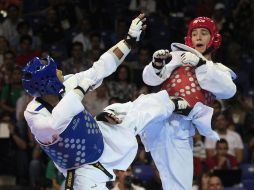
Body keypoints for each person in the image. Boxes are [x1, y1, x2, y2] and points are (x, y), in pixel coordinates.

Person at [22, 13, 148, 190]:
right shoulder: (33, 113)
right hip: (80, 171)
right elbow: (56, 124)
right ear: (49, 83)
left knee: (144, 105)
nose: (60, 70)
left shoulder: (66, 83)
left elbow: (100, 68)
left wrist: (128, 41)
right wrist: (79, 92)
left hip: (101, 143)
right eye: (55, 70)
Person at [141, 17, 237, 190]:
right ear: (189, 39)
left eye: (204, 33)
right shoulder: (177, 57)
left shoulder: (218, 70)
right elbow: (149, 79)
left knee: (180, 185)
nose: (198, 37)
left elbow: (229, 90)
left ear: (213, 38)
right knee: (134, 114)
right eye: (194, 33)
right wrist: (156, 65)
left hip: (181, 128)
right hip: (157, 113)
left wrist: (201, 64)